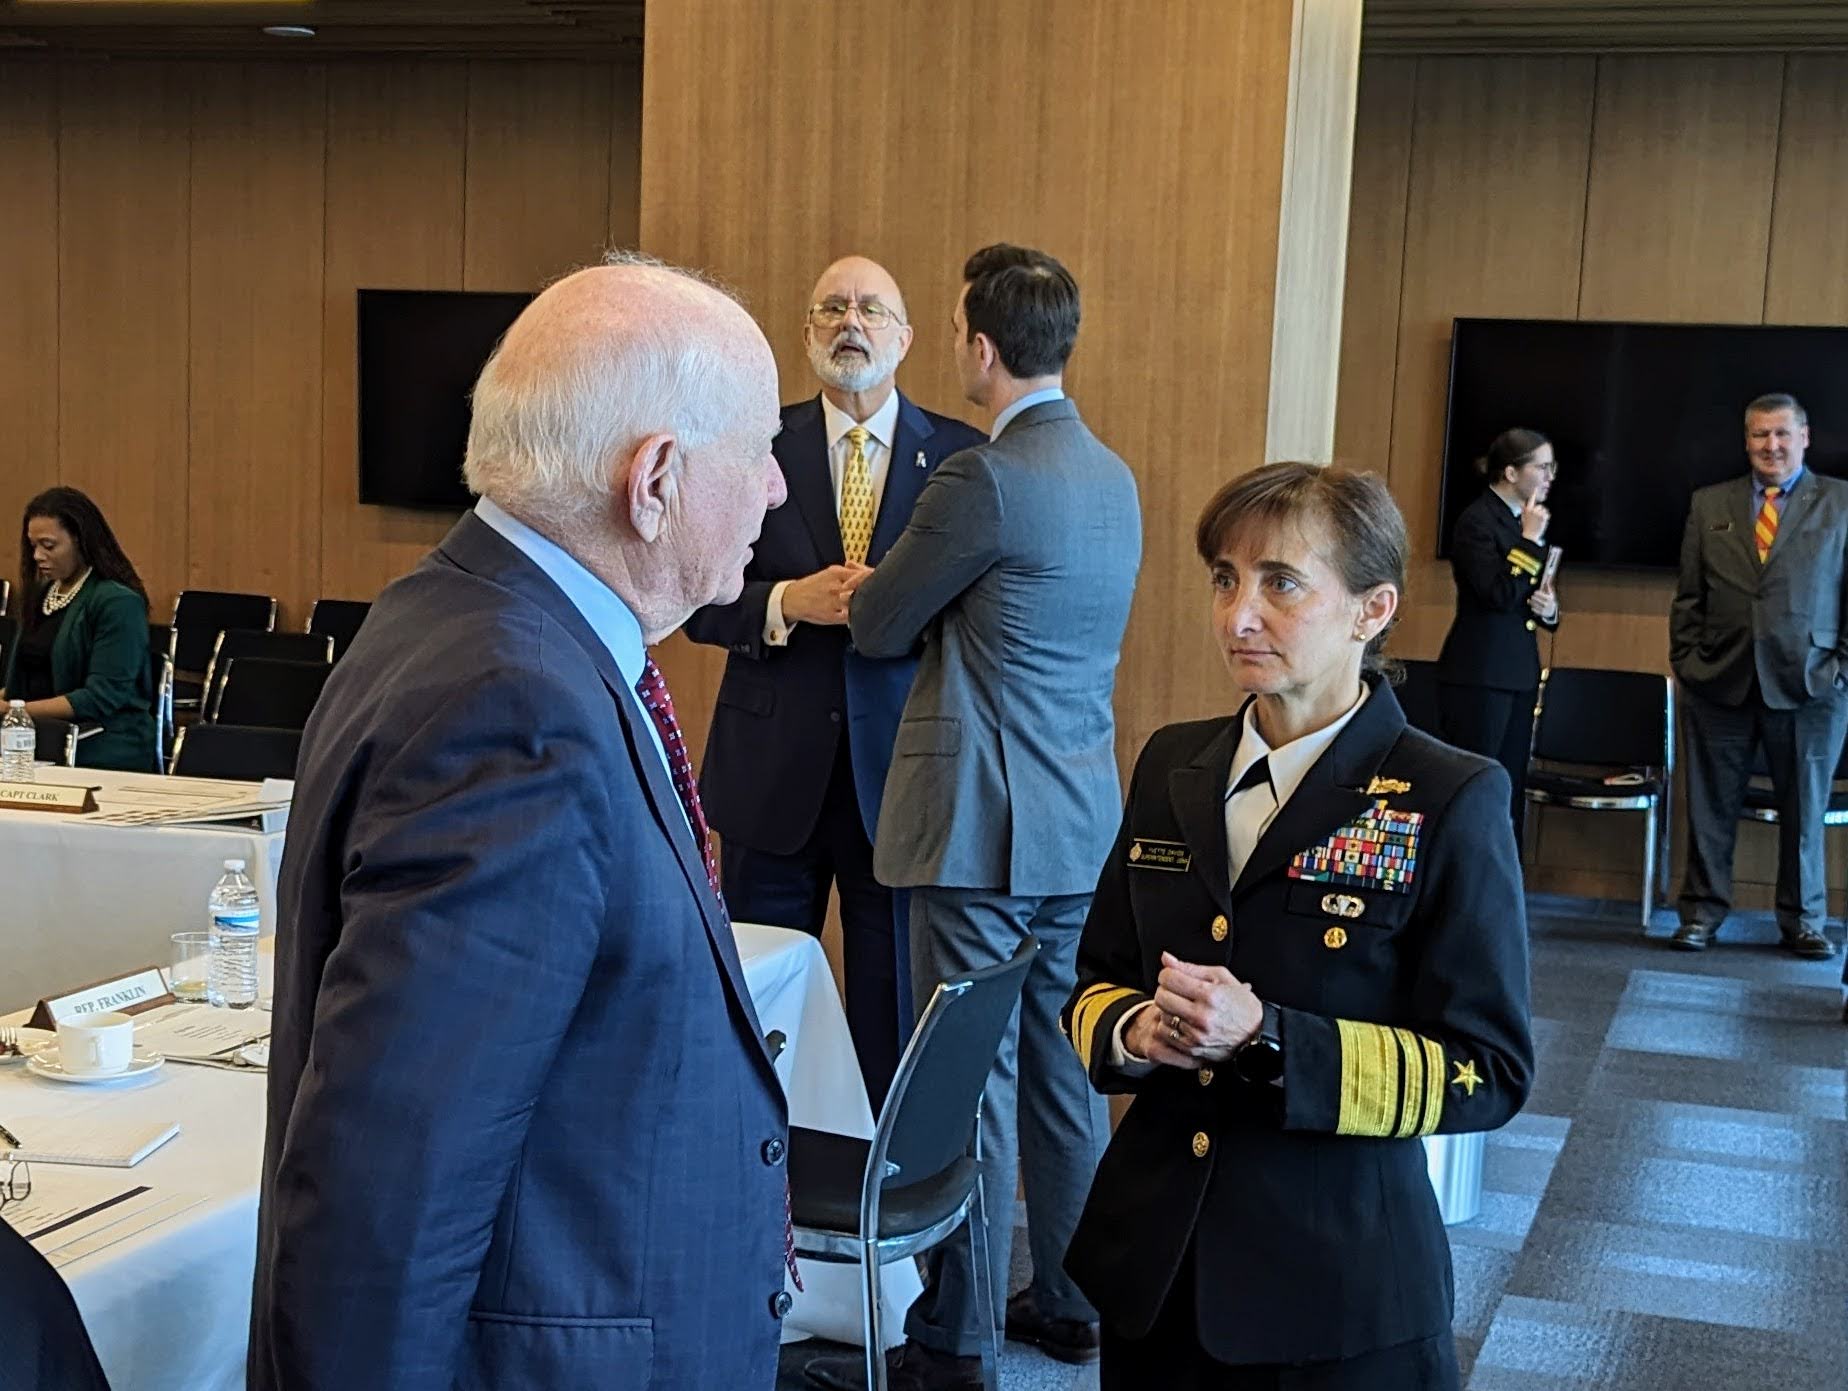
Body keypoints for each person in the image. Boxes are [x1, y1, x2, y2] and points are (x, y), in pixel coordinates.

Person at [250, 256, 796, 1391]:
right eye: (760, 453)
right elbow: (391, 1180)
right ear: (655, 479)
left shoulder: (460, 616)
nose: (778, 492)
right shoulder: (515, 704)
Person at [1061, 462, 1534, 1390]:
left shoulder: (1450, 795)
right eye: (1224, 579)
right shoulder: (1174, 762)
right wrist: (1136, 1029)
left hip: (1334, 1287)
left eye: (1281, 583)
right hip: (1156, 1265)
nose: (1239, 615)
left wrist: (1269, 1040)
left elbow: (1490, 1068)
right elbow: (1097, 978)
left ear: (1372, 609)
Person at [807, 245, 1142, 1391]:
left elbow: (880, 623)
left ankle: (956, 1335)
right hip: (1076, 816)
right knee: (1061, 1063)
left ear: (983, 350)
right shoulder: (1113, 474)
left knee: (973, 1076)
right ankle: (1072, 1293)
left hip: (977, 827)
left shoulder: (979, 479)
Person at [684, 255, 982, 1110]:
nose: (851, 323)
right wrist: (787, 601)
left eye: (871, 309)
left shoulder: (961, 459)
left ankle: (875, 1209)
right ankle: (751, 1179)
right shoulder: (752, 446)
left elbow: (980, 613)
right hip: (771, 778)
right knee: (751, 996)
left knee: (891, 1011)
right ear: (808, 332)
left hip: (900, 781)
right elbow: (698, 597)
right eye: (831, 308)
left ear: (906, 337)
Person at [1669, 393, 1848, 962]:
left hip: (1811, 685)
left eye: (1781, 435)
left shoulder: (1842, 503)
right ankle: (1701, 913)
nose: (1770, 446)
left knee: (1804, 809)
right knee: (1710, 806)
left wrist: (1840, 669)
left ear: (1804, 437)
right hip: (1719, 680)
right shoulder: (1709, 503)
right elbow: (1689, 596)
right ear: (1746, 440)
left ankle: (1804, 922)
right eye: (1758, 436)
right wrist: (1688, 662)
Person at [1435, 428, 1560, 840]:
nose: (1549, 477)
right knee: (1477, 785)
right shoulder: (1477, 521)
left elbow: (1526, 596)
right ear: (1510, 471)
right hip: (1480, 675)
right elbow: (1497, 593)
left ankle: (1506, 888)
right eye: (1541, 467)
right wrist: (1529, 540)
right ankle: (1468, 887)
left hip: (1518, 672)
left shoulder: (1518, 520)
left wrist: (1550, 611)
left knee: (1510, 787)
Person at [1, 487, 155, 772]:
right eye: (32, 545)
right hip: (35, 738)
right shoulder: (42, 594)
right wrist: (10, 704)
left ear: (81, 541)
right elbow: (23, 683)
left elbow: (101, 697)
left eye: (48, 546)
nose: (36, 555)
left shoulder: (117, 602)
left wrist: (15, 711)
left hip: (103, 745)